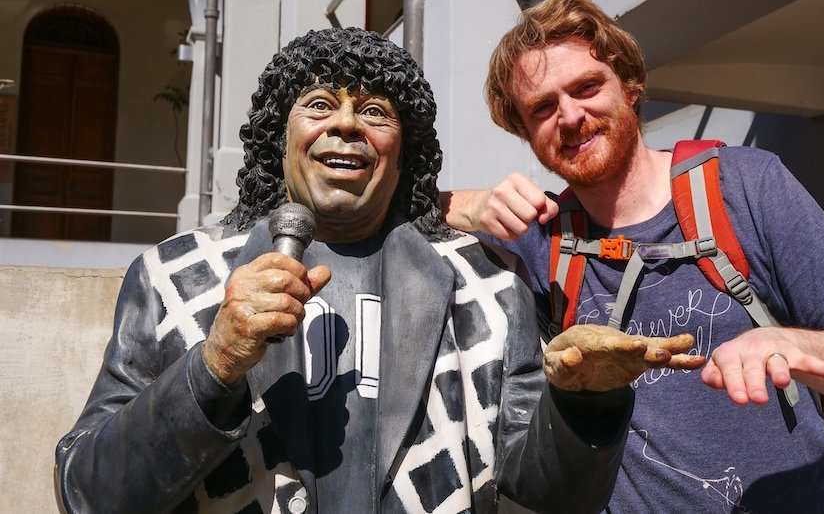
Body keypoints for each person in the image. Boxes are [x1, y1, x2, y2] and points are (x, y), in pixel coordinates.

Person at [55, 27, 703, 514]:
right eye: (318, 104)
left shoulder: (485, 282)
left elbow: (545, 492)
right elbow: (87, 491)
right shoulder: (176, 275)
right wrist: (214, 365)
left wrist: (586, 403)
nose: (345, 124)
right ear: (277, 135)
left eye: (373, 112)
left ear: (406, 149)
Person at [442, 0, 824, 513]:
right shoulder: (543, 236)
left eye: (587, 86)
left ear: (629, 85)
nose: (569, 116)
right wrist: (473, 204)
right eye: (543, 107)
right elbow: (382, 198)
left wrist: (792, 347)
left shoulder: (746, 186)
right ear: (524, 130)